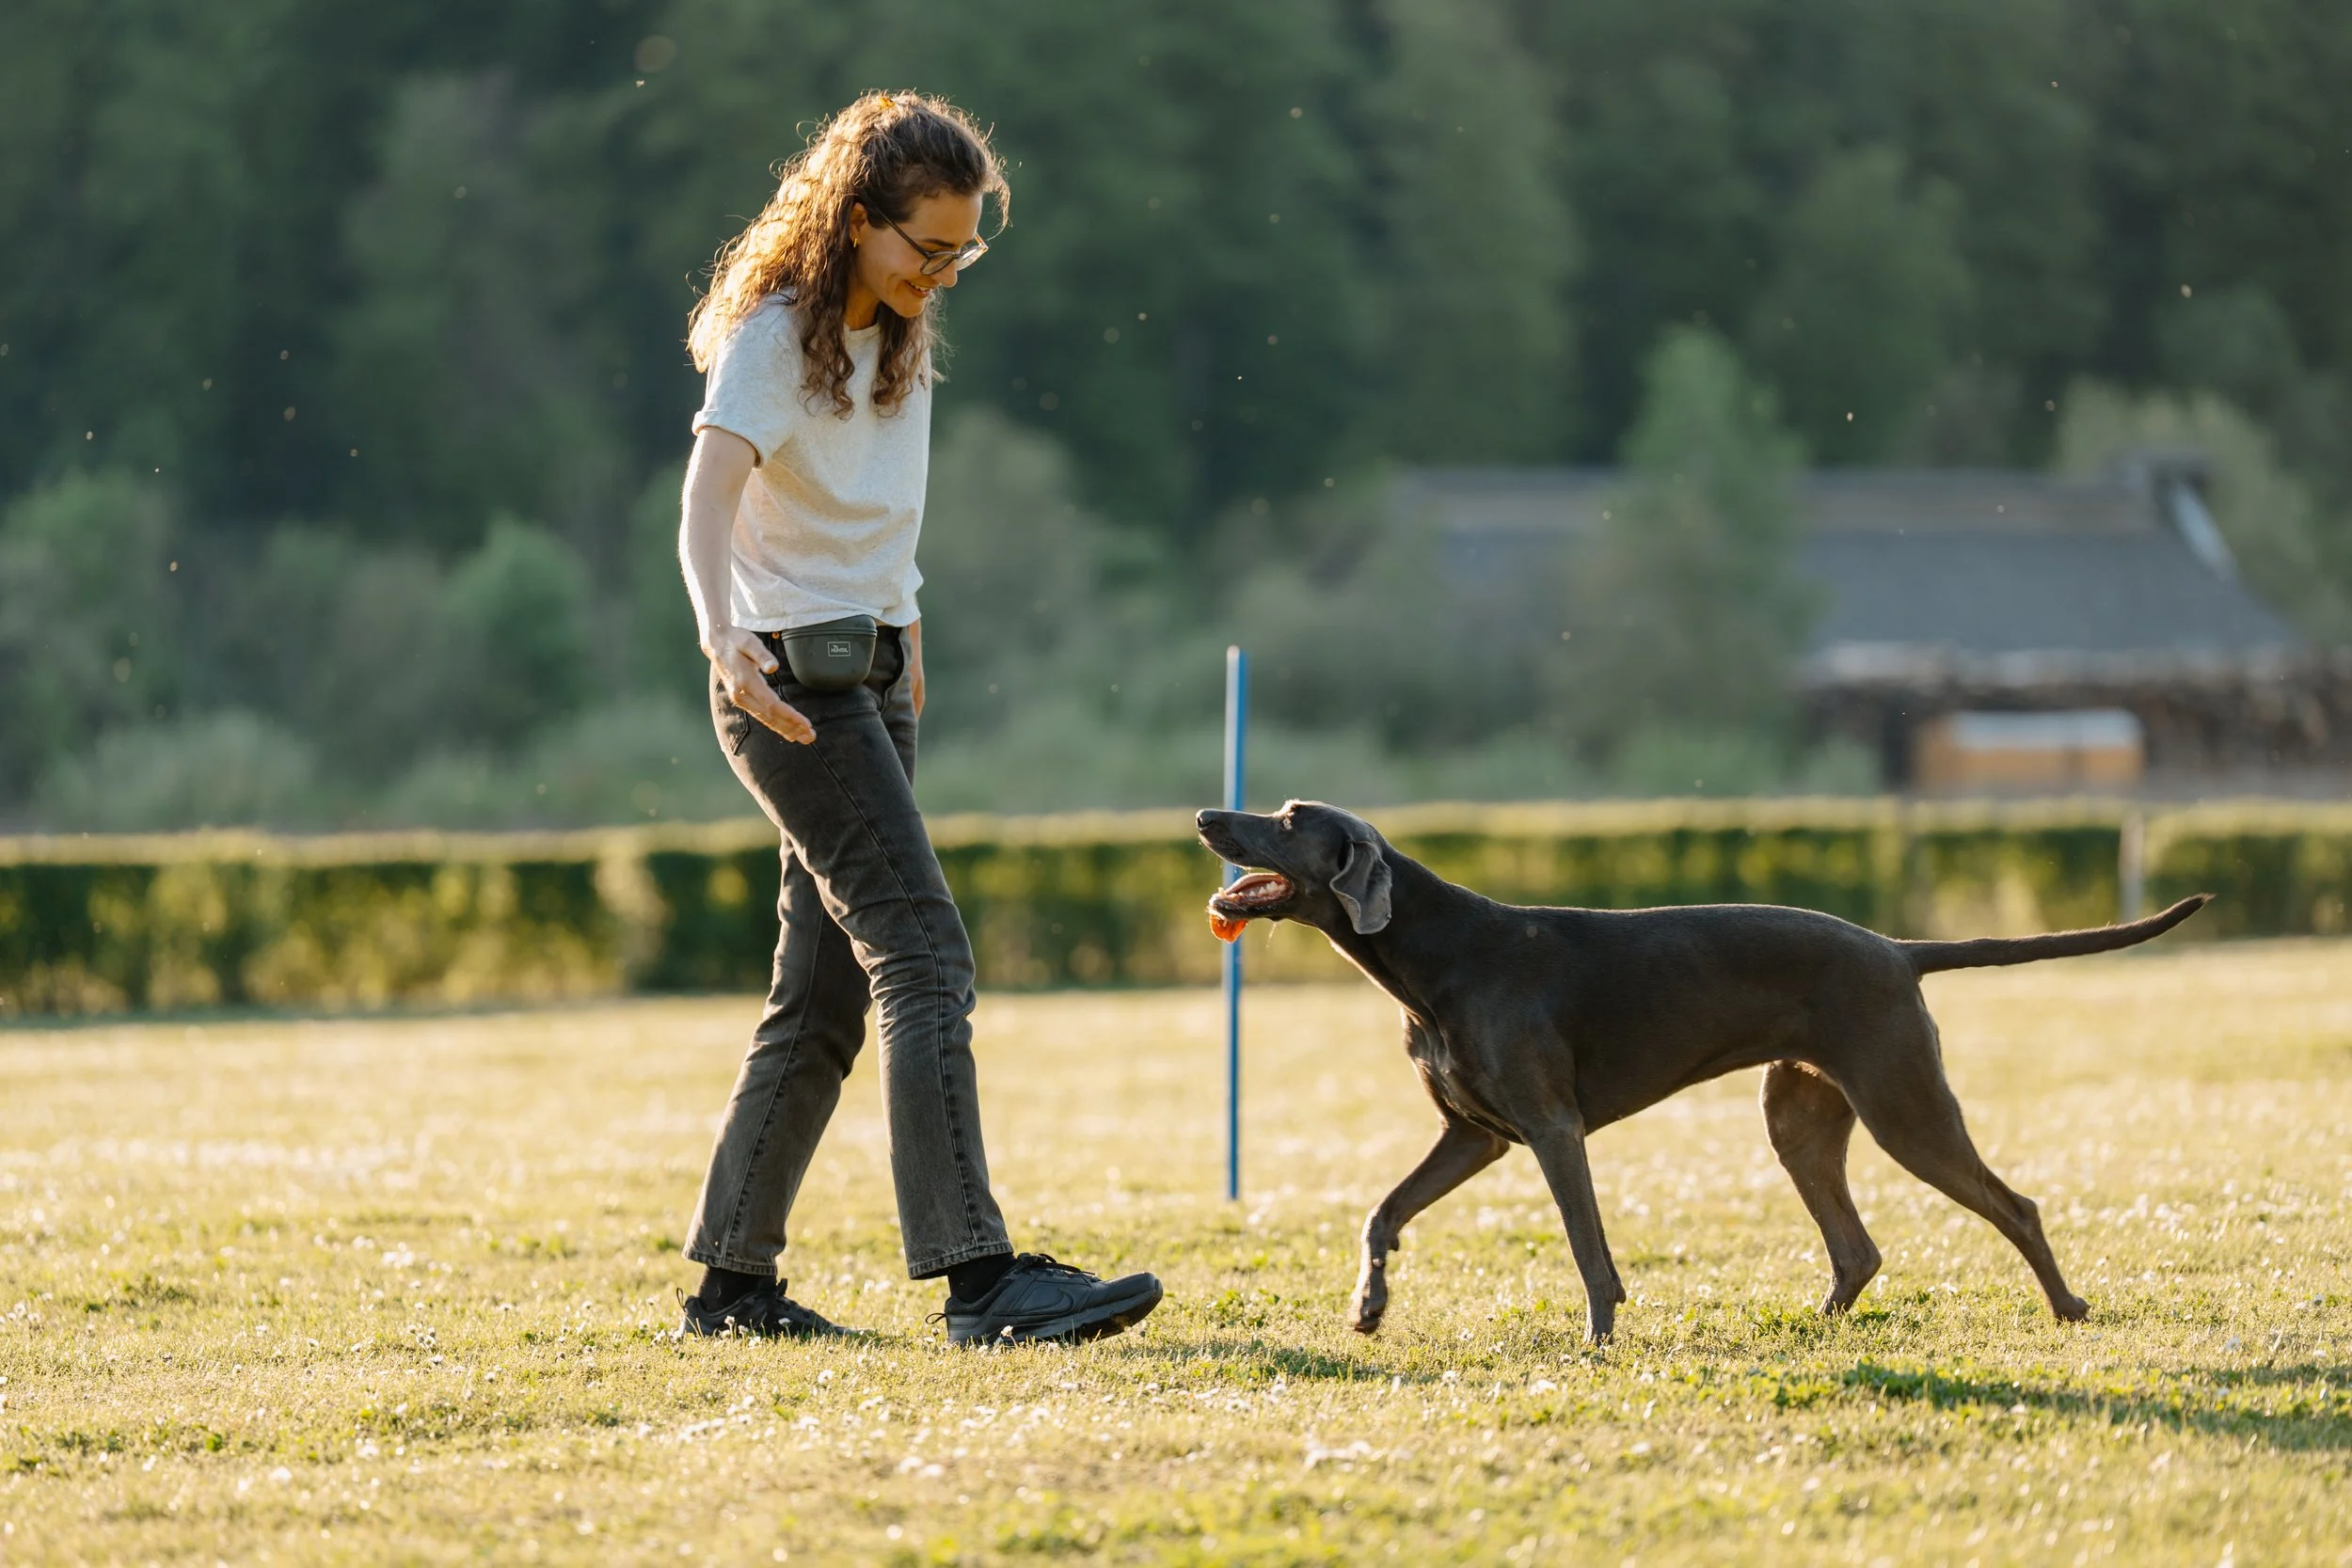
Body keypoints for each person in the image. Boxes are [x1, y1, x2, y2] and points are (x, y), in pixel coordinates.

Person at [671, 91, 1163, 1345]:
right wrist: (722, 636)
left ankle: (731, 1290)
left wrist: (910, 628)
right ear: (856, 220)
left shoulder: (897, 333)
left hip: (877, 674)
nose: (940, 275)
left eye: (961, 252)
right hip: (788, 687)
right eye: (925, 248)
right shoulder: (772, 335)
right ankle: (979, 1279)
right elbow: (708, 499)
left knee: (823, 995)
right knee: (924, 955)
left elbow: (879, 509)